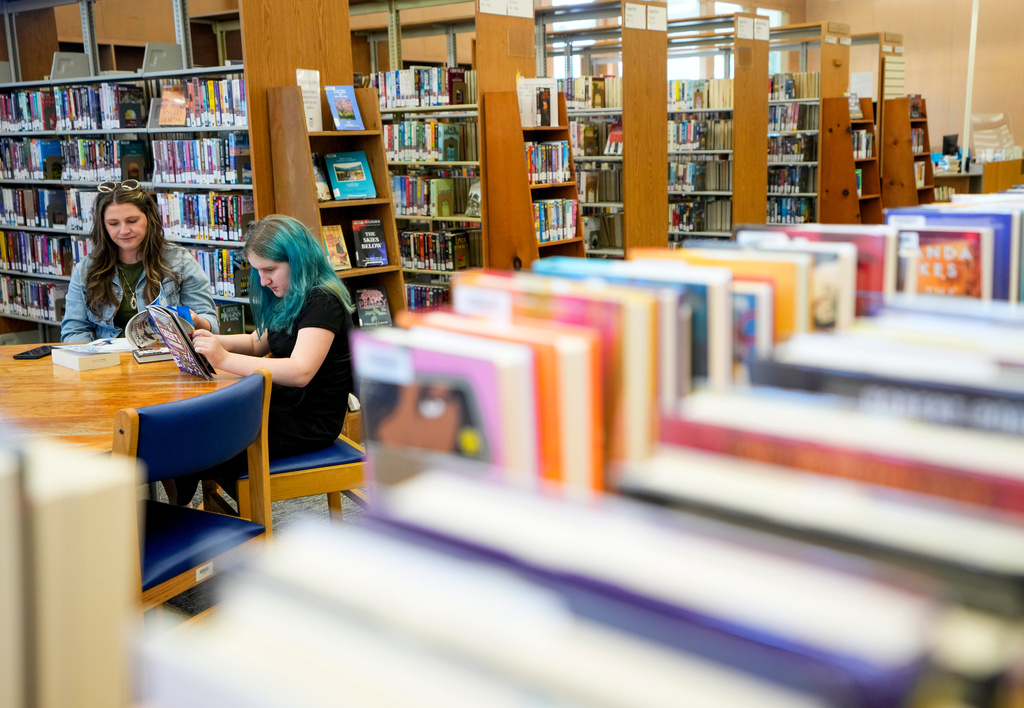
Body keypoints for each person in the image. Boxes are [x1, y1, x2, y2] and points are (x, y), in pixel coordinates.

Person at [184, 214, 355, 505]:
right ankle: (184, 513)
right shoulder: (290, 294)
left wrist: (222, 358)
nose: (263, 281)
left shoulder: (323, 301)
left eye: (270, 270)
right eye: (258, 271)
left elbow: (300, 371)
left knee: (200, 438)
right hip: (283, 405)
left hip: (308, 422)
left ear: (298, 261)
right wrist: (203, 335)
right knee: (195, 429)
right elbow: (255, 343)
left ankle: (182, 517)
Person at [61, 179, 219, 342]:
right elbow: (73, 331)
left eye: (132, 221)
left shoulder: (180, 261)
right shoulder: (86, 269)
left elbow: (212, 324)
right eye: (113, 223)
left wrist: (197, 322)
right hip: (107, 362)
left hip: (165, 358)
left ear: (149, 219)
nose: (124, 230)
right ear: (103, 226)